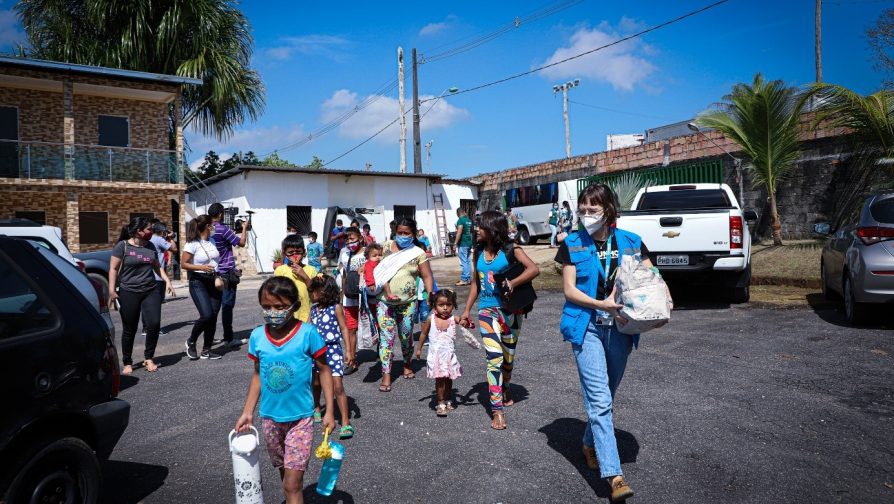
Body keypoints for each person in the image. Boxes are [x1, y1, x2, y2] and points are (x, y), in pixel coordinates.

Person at [556, 183, 658, 502]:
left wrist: (655, 298)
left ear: (609, 209)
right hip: (585, 326)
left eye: (593, 208)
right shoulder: (572, 243)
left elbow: (649, 280)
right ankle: (614, 476)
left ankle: (589, 442)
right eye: (582, 208)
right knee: (599, 400)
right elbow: (570, 290)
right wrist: (601, 305)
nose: (586, 214)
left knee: (607, 395)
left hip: (620, 328)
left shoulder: (631, 242)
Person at [235, 277, 336, 504]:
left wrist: (329, 410)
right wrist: (247, 411)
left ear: (295, 306)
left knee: (292, 483)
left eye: (280, 307)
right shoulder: (257, 337)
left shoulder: (308, 334)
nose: (273, 312)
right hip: (269, 419)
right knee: (283, 473)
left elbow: (324, 370)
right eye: (267, 307)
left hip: (301, 419)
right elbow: (257, 375)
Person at [460, 210, 540, 430]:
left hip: (511, 311)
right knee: (493, 358)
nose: (476, 229)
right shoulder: (476, 253)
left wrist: (514, 282)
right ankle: (497, 410)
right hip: (487, 310)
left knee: (508, 358)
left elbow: (534, 269)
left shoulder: (511, 249)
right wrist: (466, 310)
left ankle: (506, 385)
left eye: (480, 226)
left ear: (492, 229)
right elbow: (475, 285)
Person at [372, 218, 434, 392]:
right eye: (400, 233)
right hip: (384, 302)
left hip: (407, 303)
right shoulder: (385, 248)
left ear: (413, 234)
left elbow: (427, 276)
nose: (403, 236)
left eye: (407, 233)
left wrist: (431, 295)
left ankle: (407, 363)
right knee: (386, 338)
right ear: (395, 232)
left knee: (406, 336)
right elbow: (371, 264)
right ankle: (386, 374)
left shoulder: (417, 253)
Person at [108, 217, 173, 374]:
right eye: (149, 229)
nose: (152, 232)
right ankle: (127, 361)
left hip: (150, 290)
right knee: (130, 328)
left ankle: (149, 358)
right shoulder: (122, 246)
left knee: (154, 323)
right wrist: (111, 290)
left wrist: (167, 280)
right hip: (128, 291)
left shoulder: (150, 245)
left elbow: (157, 267)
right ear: (139, 231)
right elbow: (113, 269)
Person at [414, 289, 480, 416]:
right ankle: (440, 402)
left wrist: (466, 322)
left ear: (453, 305)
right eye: (441, 305)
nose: (445, 308)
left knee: (449, 379)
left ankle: (448, 398)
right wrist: (419, 348)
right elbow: (423, 334)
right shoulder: (430, 319)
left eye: (448, 305)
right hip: (436, 356)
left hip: (449, 356)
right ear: (434, 305)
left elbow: (462, 321)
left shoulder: (452, 318)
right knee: (440, 380)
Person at [308, 275, 354, 439]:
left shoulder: (336, 308)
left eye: (315, 291)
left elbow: (344, 329)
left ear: (326, 291)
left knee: (338, 386)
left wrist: (349, 351)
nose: (312, 294)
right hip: (315, 352)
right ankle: (317, 408)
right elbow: (307, 330)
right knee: (315, 382)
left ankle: (346, 421)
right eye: (311, 291)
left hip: (333, 350)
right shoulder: (313, 310)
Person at [180, 215, 223, 361]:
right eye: (213, 224)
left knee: (213, 317)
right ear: (207, 226)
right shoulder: (192, 244)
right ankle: (191, 341)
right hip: (198, 281)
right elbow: (184, 264)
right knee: (207, 315)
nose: (215, 226)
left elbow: (215, 261)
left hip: (214, 280)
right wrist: (201, 267)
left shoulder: (212, 241)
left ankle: (206, 350)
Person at [208, 202, 248, 347]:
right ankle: (228, 338)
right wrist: (244, 228)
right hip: (225, 273)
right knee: (227, 306)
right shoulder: (222, 229)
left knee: (212, 308)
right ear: (220, 214)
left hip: (210, 273)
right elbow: (241, 243)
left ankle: (209, 337)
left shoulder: (207, 229)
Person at [336, 227, 363, 375]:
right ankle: (352, 360)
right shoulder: (344, 253)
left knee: (374, 327)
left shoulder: (368, 252)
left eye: (352, 239)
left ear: (360, 237)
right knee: (351, 328)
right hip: (349, 296)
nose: (349, 242)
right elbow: (343, 274)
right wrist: (341, 296)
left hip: (366, 298)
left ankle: (382, 354)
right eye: (347, 240)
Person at [142, 220, 177, 336]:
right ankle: (154, 329)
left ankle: (145, 328)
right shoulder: (159, 239)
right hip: (158, 275)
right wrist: (170, 238)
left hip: (147, 275)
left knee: (146, 303)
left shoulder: (148, 239)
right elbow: (174, 249)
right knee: (156, 304)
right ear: (162, 231)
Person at [274, 234, 318, 323]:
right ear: (285, 253)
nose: (295, 255)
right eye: (290, 252)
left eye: (298, 251)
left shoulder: (311, 270)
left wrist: (304, 275)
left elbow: (315, 293)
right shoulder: (280, 270)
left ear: (304, 252)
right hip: (287, 317)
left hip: (307, 317)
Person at [453, 208, 473, 286]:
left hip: (463, 243)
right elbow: (471, 232)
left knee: (464, 262)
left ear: (457, 214)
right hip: (469, 243)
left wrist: (455, 243)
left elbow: (459, 232)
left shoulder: (460, 220)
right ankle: (468, 279)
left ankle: (464, 279)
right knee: (468, 261)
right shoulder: (468, 220)